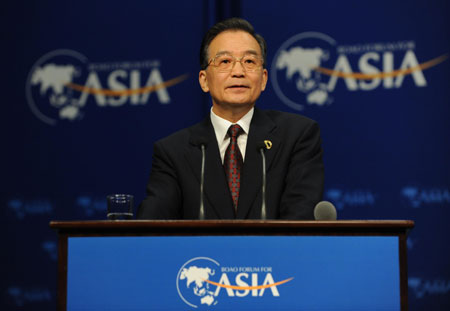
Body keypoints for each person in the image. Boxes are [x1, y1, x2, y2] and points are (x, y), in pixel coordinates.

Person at [137, 18, 324, 220]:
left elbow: (299, 223)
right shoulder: (173, 152)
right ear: (204, 80)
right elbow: (151, 228)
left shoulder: (297, 136)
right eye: (225, 61)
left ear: (263, 79)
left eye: (249, 62)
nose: (238, 72)